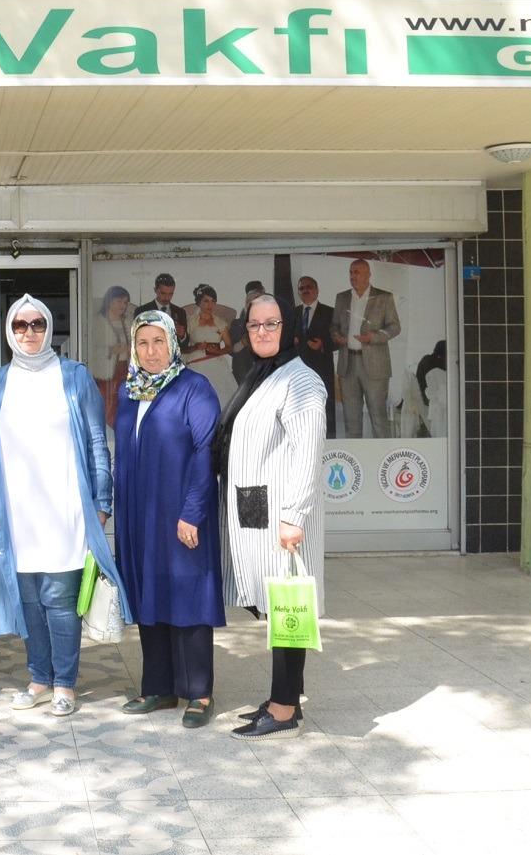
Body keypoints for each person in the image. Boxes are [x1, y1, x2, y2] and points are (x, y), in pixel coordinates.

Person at [0, 295, 131, 718]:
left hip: (65, 510)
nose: (29, 332)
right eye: (20, 325)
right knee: (28, 599)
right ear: (10, 332)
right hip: (15, 512)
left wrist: (101, 500)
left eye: (37, 324)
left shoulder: (74, 376)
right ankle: (39, 679)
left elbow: (97, 441)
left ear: (49, 329)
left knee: (60, 600)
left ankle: (64, 683)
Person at [215, 293, 327, 740]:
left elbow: (308, 452)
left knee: (287, 609)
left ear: (288, 327)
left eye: (272, 323)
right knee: (276, 606)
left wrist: (294, 515)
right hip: (258, 511)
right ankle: (286, 696)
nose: (262, 331)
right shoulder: (263, 374)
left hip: (282, 516)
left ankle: (283, 711)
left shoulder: (301, 380)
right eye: (255, 324)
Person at [114, 312, 225, 728]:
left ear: (173, 343)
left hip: (181, 515)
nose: (151, 351)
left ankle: (199, 692)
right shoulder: (129, 391)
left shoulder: (194, 388)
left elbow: (205, 451)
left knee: (189, 594)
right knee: (150, 594)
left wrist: (192, 513)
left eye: (158, 341)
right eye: (142, 343)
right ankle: (159, 687)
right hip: (140, 515)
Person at [330, 259, 402, 438]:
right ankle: (355, 455)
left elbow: (395, 327)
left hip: (375, 365)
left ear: (368, 275)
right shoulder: (342, 297)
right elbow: (334, 325)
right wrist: (337, 336)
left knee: (378, 417)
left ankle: (382, 454)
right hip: (348, 364)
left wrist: (373, 337)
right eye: (351, 272)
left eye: (357, 272)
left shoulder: (384, 297)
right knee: (351, 418)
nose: (353, 276)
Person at [294, 276, 337, 438]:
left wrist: (323, 344)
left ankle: (329, 441)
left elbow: (339, 339)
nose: (305, 290)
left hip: (322, 367)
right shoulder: (292, 313)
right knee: (300, 407)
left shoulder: (330, 312)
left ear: (317, 290)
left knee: (324, 406)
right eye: (301, 288)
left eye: (309, 287)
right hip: (298, 369)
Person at [182, 283, 235, 406]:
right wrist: (195, 347)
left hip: (216, 363)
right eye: (206, 301)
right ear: (199, 303)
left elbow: (229, 346)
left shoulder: (220, 323)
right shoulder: (190, 322)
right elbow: (182, 346)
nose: (210, 305)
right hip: (196, 364)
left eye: (213, 301)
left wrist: (219, 351)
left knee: (221, 398)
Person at [92, 286, 134, 426]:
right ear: (109, 301)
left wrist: (130, 349)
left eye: (125, 302)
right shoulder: (97, 321)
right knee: (107, 406)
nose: (123, 305)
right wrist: (110, 350)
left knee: (121, 405)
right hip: (106, 372)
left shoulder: (126, 321)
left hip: (124, 369)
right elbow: (89, 348)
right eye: (119, 301)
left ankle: (119, 430)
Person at [136, 274, 189, 349]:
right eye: (163, 293)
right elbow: (138, 339)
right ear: (155, 290)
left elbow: (185, 345)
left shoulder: (180, 312)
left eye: (170, 294)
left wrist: (182, 336)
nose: (166, 298)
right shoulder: (142, 311)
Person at [228, 280, 266, 386]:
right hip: (243, 373)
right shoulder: (237, 324)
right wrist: (243, 343)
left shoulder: (270, 324)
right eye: (251, 301)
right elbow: (230, 349)